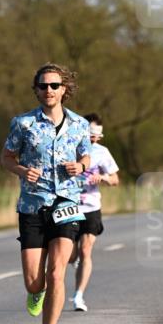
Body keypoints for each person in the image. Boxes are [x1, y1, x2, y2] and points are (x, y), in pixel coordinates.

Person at [1, 63, 91, 324]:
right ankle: (35, 292)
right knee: (34, 281)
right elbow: (7, 157)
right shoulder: (23, 124)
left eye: (54, 85)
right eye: (43, 86)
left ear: (64, 89)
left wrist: (81, 167)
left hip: (66, 202)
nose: (49, 90)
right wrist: (22, 170)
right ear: (36, 90)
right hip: (32, 206)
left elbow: (86, 155)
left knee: (57, 273)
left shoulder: (79, 124)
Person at [70, 113, 120, 312]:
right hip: (69, 207)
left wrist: (103, 178)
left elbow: (115, 179)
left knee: (85, 251)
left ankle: (78, 296)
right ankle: (74, 262)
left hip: (91, 207)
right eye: (91, 134)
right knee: (70, 256)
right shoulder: (68, 147)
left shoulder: (102, 152)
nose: (94, 138)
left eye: (98, 135)